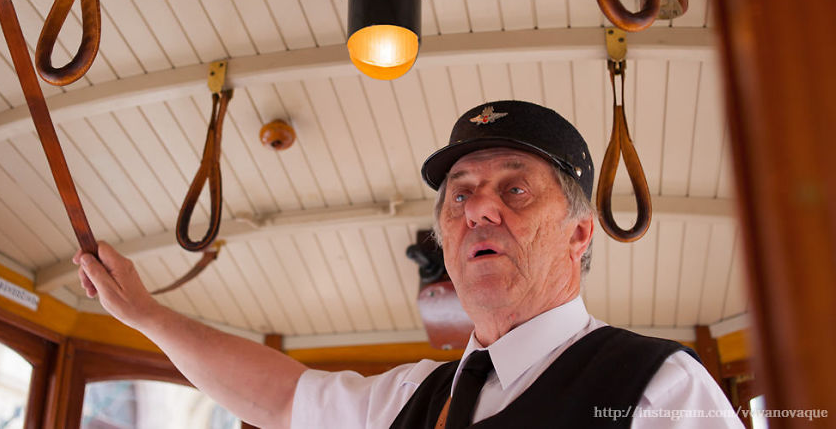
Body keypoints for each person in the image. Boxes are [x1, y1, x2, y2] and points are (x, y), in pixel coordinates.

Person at [76, 100, 741, 428]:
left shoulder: (658, 389)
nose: (477, 208)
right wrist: (145, 314)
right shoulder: (411, 400)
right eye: (459, 193)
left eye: (513, 189)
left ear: (579, 233)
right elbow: (280, 396)